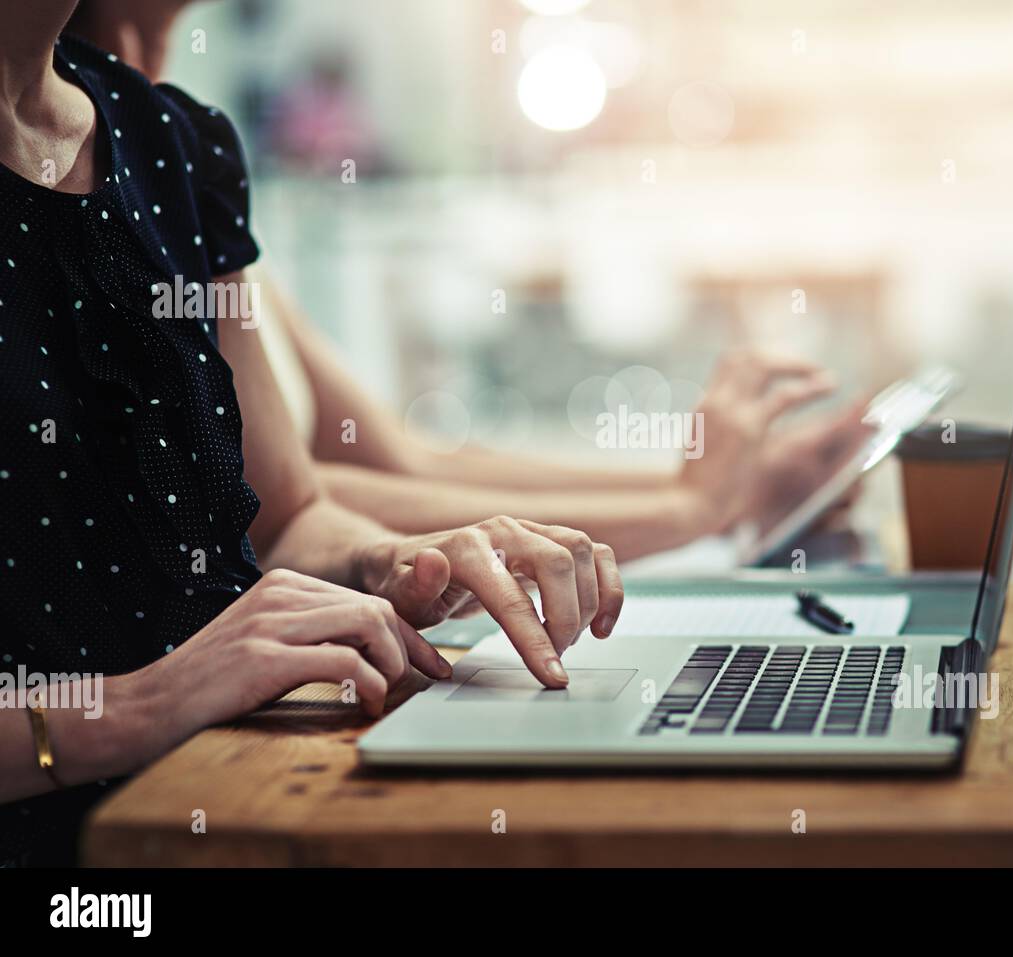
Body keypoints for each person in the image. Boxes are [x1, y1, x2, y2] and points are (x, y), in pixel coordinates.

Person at [0, 2, 625, 865]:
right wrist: (138, 706)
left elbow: (283, 517)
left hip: (243, 798)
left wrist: (393, 563)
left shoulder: (176, 142)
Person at [64, 0, 874, 562]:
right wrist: (684, 512)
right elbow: (277, 512)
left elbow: (399, 462)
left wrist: (719, 491)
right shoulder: (81, 184)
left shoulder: (182, 157)